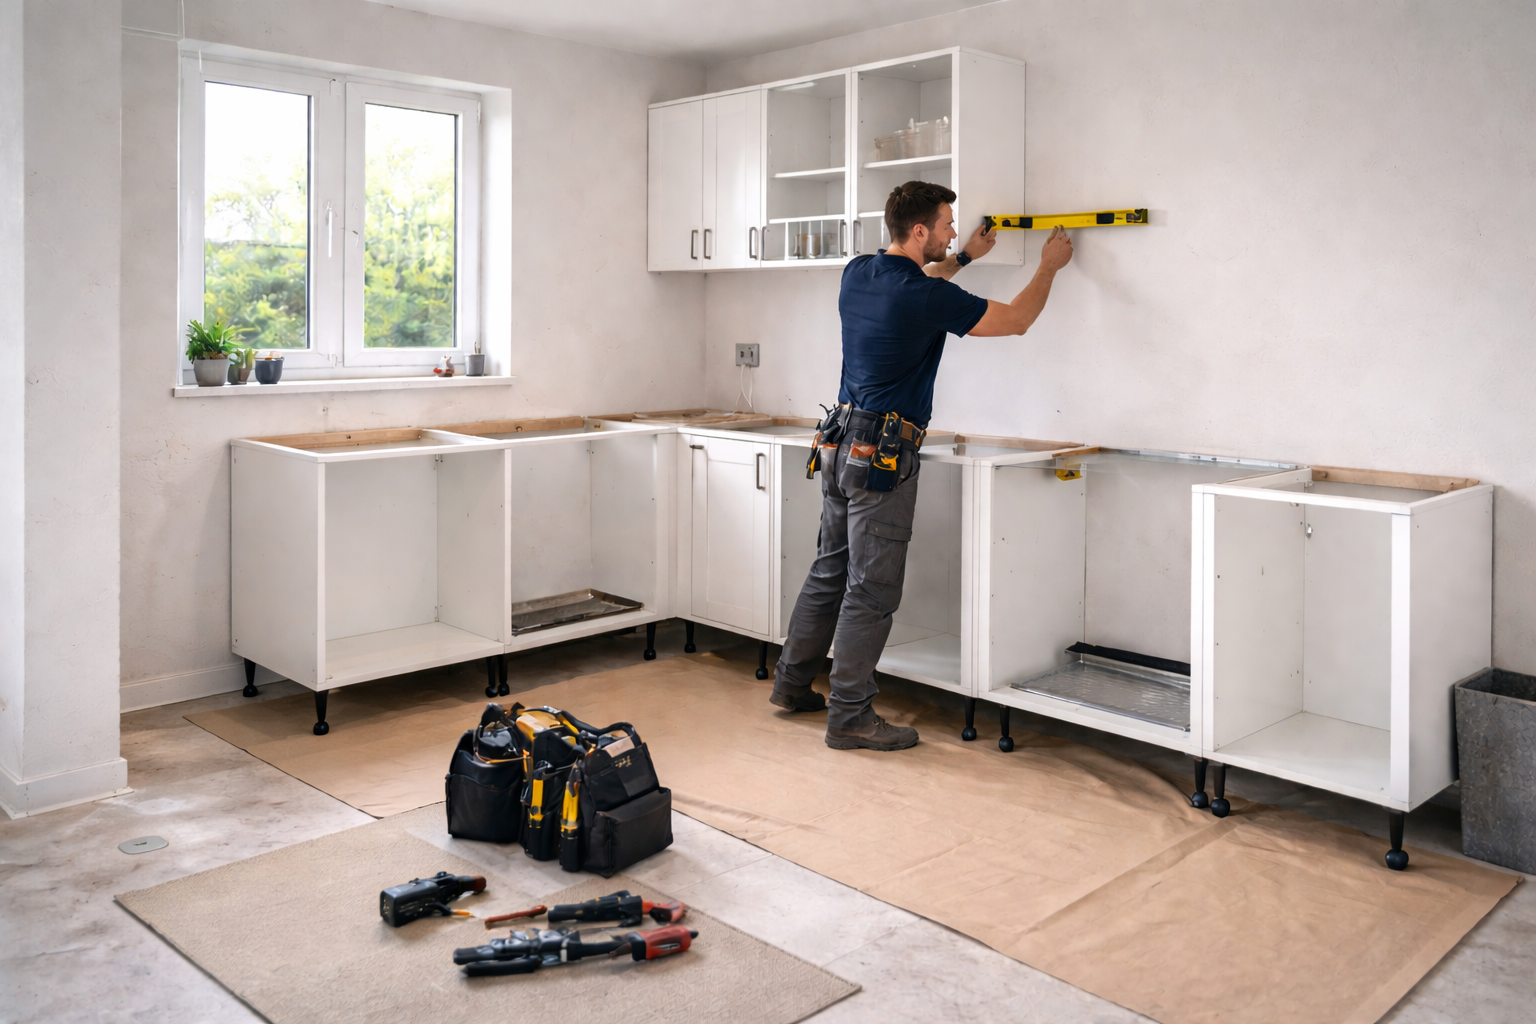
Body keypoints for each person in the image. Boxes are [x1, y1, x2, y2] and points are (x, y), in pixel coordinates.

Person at [769, 180, 1075, 750]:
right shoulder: (921, 295)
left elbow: (919, 285)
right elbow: (1016, 320)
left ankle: (791, 685)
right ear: (918, 232)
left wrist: (963, 259)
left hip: (838, 445)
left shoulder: (860, 272)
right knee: (872, 589)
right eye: (946, 224)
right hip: (881, 455)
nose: (953, 230)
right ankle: (851, 717)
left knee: (829, 570)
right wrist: (1049, 267)